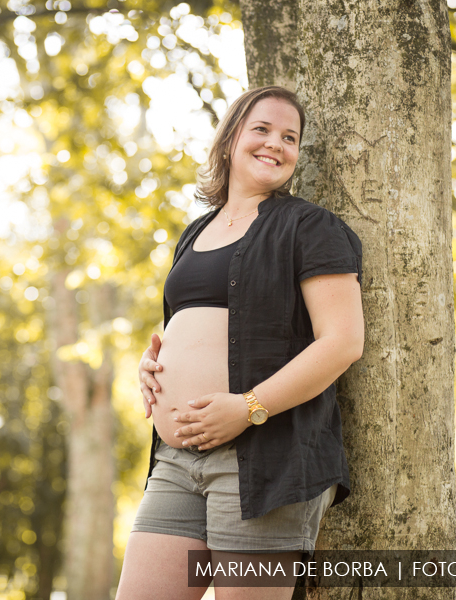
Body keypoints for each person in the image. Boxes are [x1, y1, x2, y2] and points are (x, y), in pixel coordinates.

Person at [115, 86, 364, 600]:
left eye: (290, 137)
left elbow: (342, 343)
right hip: (177, 460)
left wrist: (248, 407)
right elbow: (187, 325)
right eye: (262, 129)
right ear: (230, 140)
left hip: (264, 459)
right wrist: (151, 364)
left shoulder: (310, 227)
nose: (277, 143)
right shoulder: (195, 231)